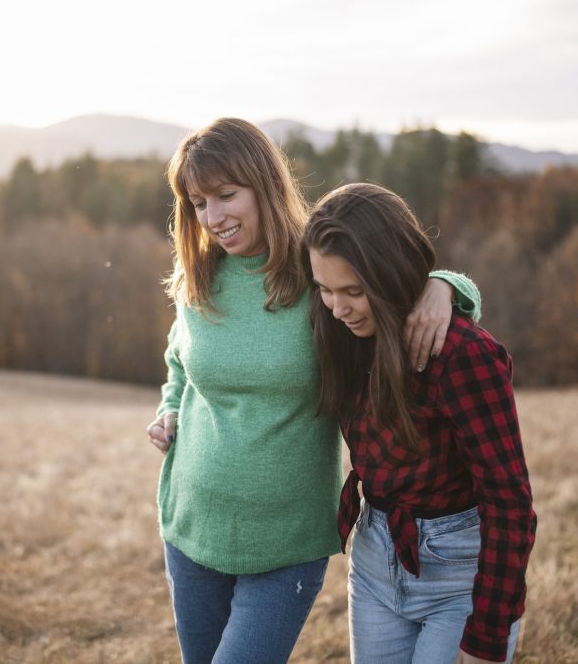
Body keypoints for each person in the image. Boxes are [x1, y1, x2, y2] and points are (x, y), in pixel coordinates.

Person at [145, 118, 482, 663]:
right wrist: (169, 408)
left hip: (288, 541)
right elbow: (179, 360)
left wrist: (446, 286)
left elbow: (393, 283)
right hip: (191, 525)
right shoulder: (199, 275)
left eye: (227, 195)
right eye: (198, 202)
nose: (213, 218)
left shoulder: (316, 270)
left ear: (265, 184)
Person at [301, 182, 536, 664]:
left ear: (390, 276)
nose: (337, 307)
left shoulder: (462, 355)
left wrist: (487, 635)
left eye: (353, 291)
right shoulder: (341, 334)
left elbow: (509, 501)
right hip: (373, 560)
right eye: (324, 289)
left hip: (458, 576)